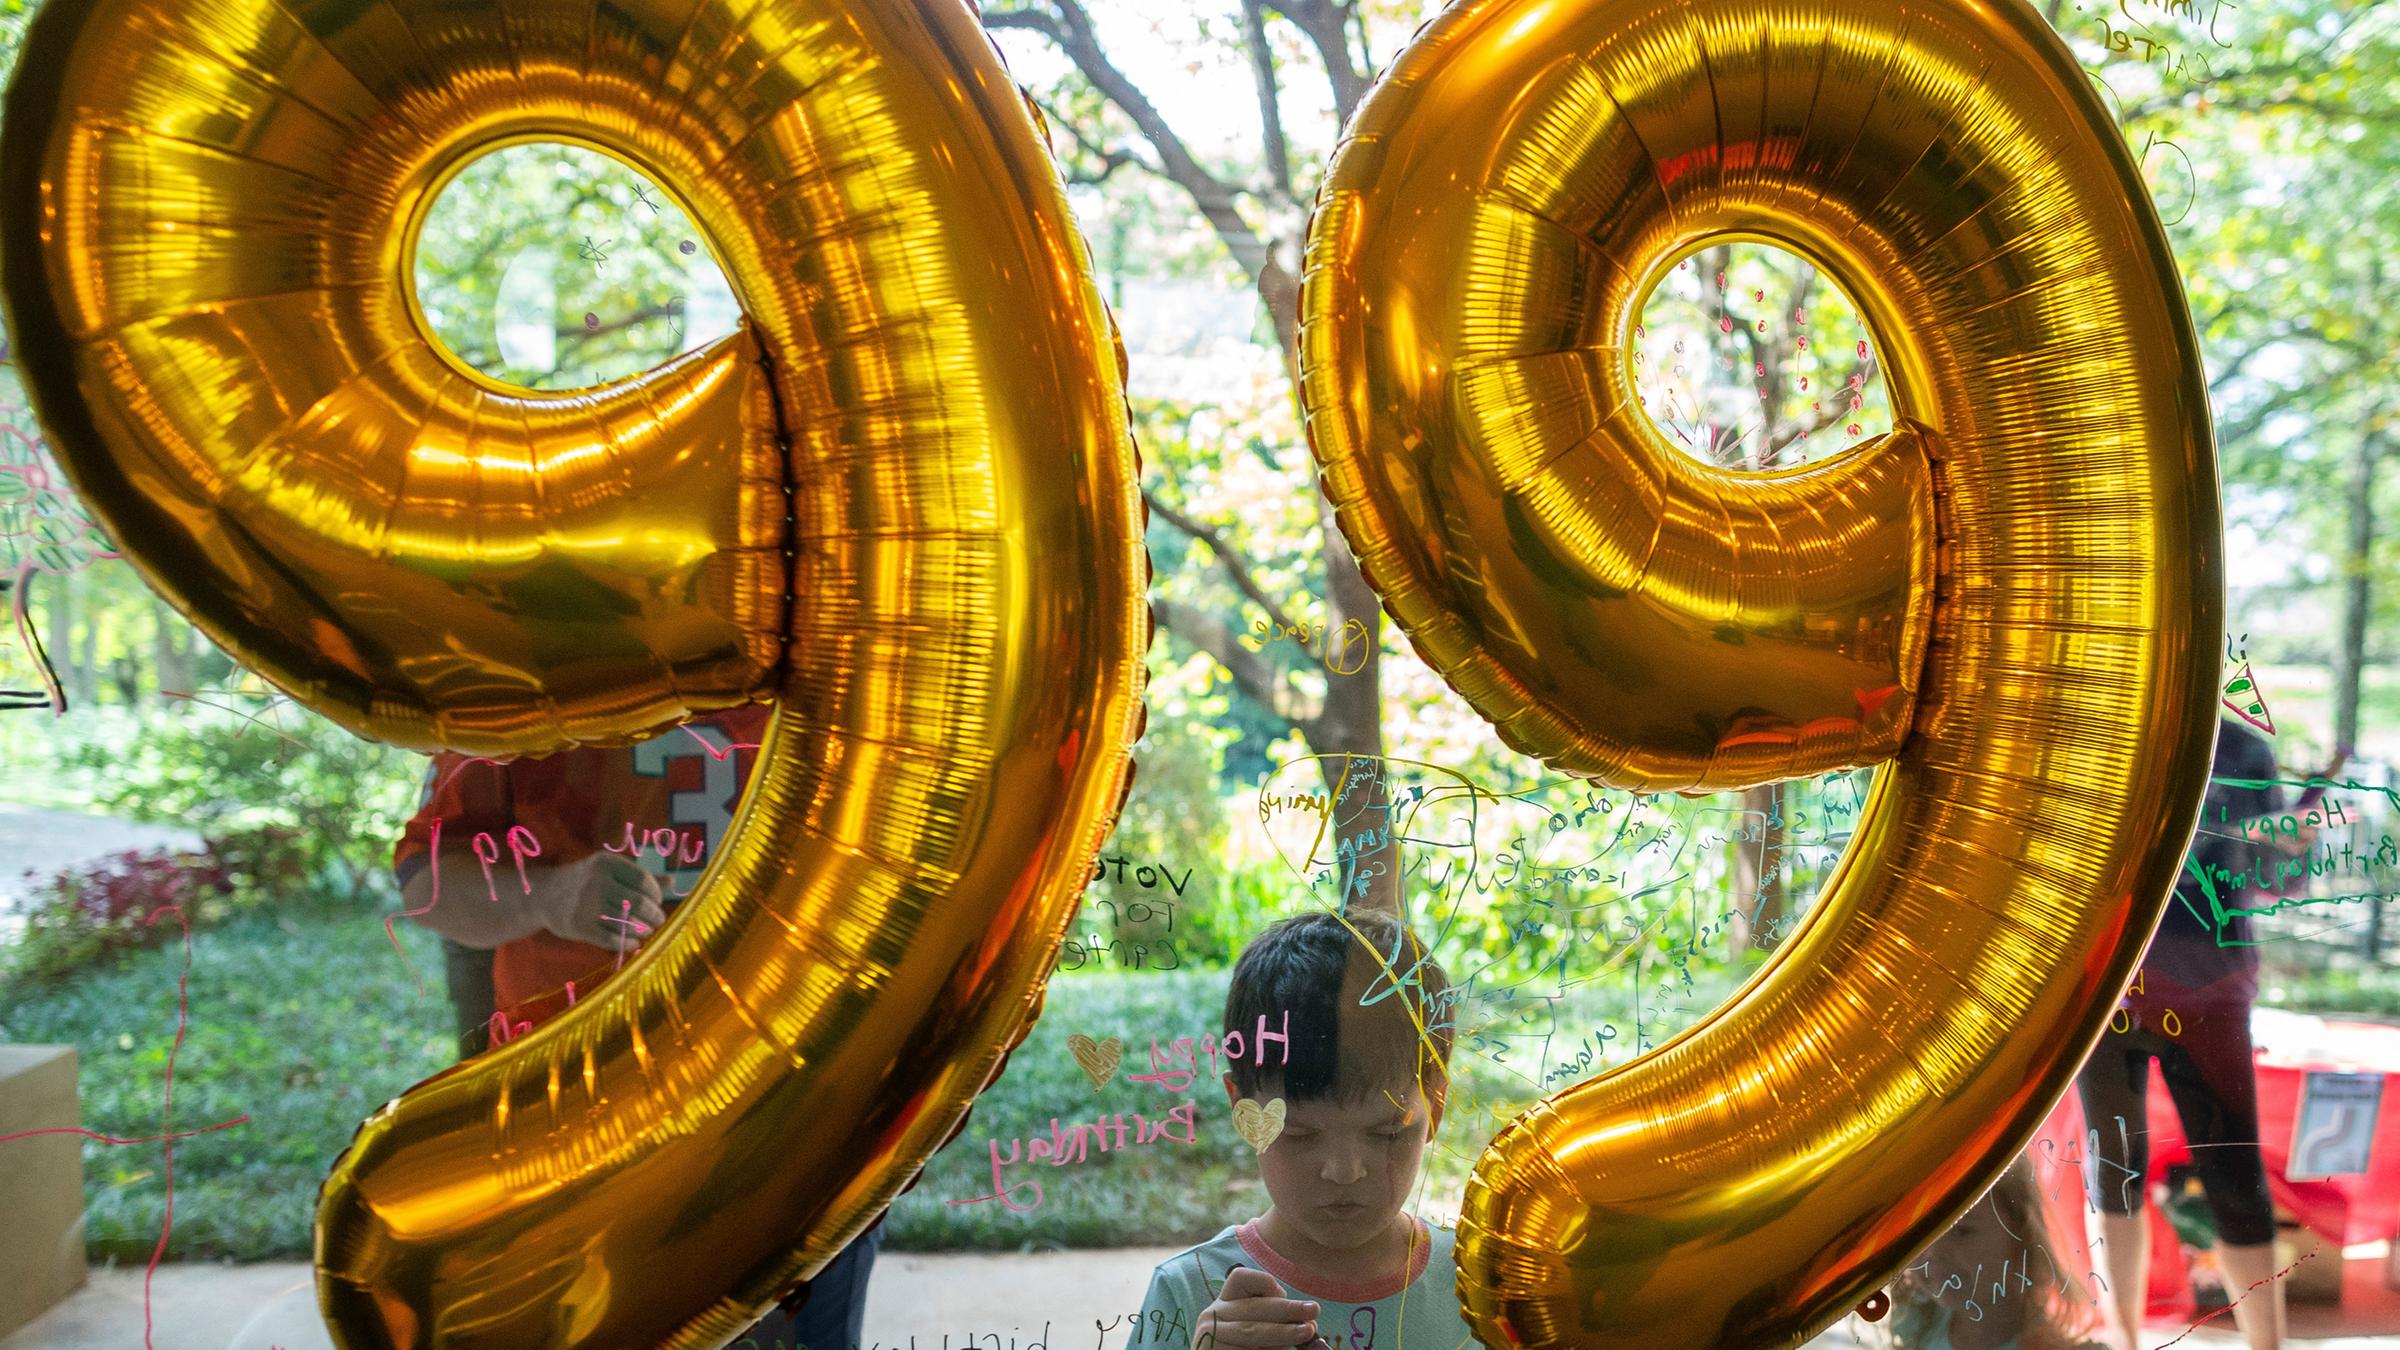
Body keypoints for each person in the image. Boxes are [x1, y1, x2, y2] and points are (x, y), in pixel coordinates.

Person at [393, 704, 882, 1350]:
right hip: (573, 1105)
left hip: (790, 1097)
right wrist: (552, 897)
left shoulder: (842, 669)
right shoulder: (522, 675)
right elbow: (427, 879)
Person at [2072, 718, 2344, 1350]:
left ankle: (2267, 1345)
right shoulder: (2109, 734)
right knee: (2112, 1173)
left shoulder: (2246, 749)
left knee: (2236, 1177)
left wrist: (2292, 846)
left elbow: (2273, 883)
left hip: (2211, 990)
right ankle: (2124, 1341)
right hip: (2109, 983)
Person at [1134, 909, 1468, 1350]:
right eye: (1299, 1134)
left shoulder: (1484, 1285)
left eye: (1387, 1133)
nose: (1344, 1171)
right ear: (1244, 1112)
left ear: (1436, 1110)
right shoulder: (1187, 1292)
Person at [1887, 1155, 2104, 1350]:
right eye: (1919, 1234)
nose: (1933, 1252)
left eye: (1963, 1231)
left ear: (2020, 1234)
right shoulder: (1913, 1324)